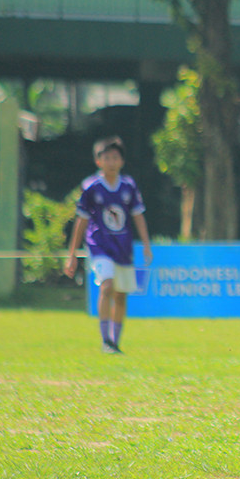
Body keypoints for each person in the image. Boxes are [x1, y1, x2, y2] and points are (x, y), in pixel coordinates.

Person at [64, 136, 153, 353]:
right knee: (107, 285)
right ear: (98, 161)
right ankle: (106, 340)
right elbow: (82, 220)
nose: (111, 162)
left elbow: (138, 215)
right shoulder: (91, 187)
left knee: (121, 295)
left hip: (122, 247)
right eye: (107, 158)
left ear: (121, 161)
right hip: (99, 245)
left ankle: (115, 341)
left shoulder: (128, 186)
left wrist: (146, 244)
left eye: (115, 157)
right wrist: (72, 253)